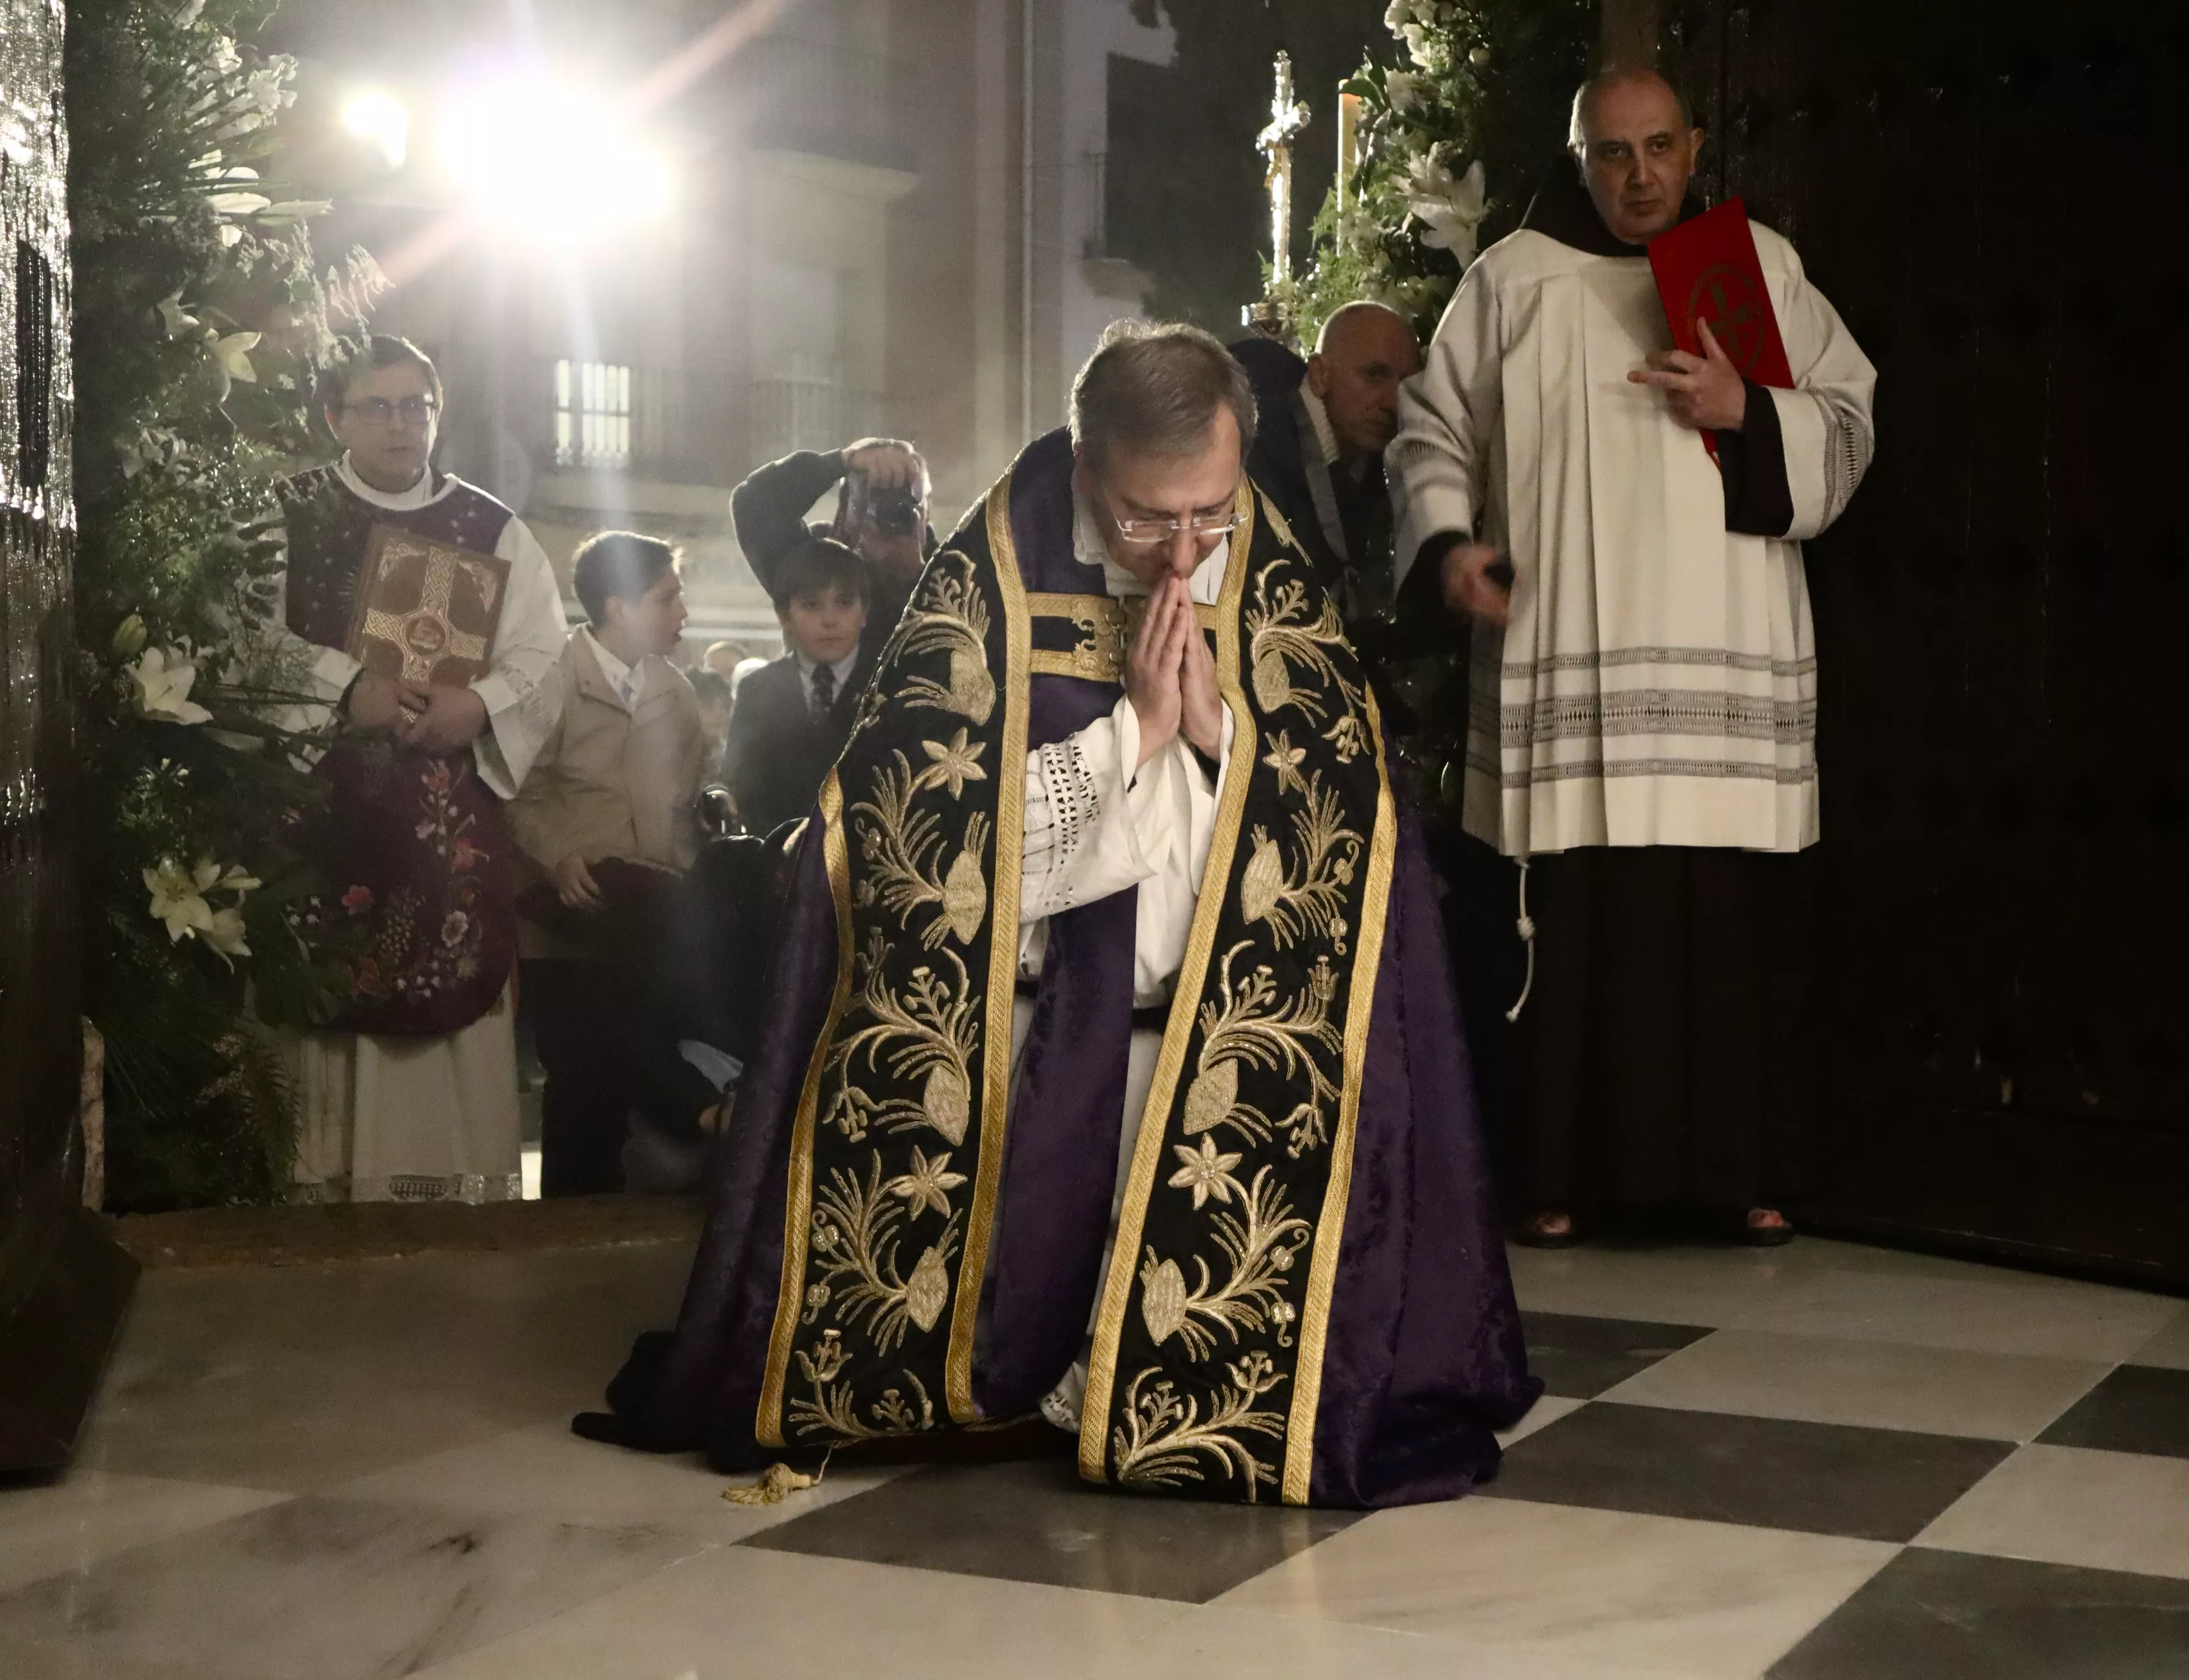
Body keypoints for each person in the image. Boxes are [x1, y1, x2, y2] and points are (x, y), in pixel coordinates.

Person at [576, 319, 1537, 1509]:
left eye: (1210, 516)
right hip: (1023, 1063)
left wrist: (1216, 738)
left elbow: (1353, 807)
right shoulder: (989, 573)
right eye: (1147, 519)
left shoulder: (1263, 558)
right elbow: (902, 842)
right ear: (1086, 470)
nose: (1183, 556)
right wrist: (1126, 733)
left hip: (1202, 1052)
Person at [1389, 68, 1877, 1248]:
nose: (1639, 174)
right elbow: (1428, 431)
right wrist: (1449, 544)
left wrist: (1748, 412)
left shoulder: (1754, 266)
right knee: (1579, 921)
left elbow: (1853, 416)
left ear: (1694, 144)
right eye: (1612, 153)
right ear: (1577, 156)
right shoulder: (1507, 281)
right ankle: (1556, 1175)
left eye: (1659, 148)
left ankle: (1743, 1172)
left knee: (1724, 925)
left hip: (1724, 657)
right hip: (1570, 664)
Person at [265, 334, 569, 1203]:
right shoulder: (287, 513)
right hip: (316, 816)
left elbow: (545, 656)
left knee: (444, 1005)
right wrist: (345, 687)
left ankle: (447, 1205)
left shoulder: (493, 527)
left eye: (416, 407)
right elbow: (238, 638)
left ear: (437, 415)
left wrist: (479, 707)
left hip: (444, 833)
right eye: (377, 407)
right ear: (335, 418)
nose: (400, 426)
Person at [507, 532, 709, 1195]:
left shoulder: (676, 695)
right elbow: (512, 790)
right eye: (667, 597)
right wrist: (555, 856)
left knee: (630, 1081)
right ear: (619, 607)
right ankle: (564, 1239)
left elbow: (687, 805)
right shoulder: (550, 680)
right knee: (579, 1082)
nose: (683, 612)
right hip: (564, 927)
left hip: (645, 924)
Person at [1233, 302, 1422, 614]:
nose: (1394, 402)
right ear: (1320, 375)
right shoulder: (1255, 444)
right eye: (1375, 375)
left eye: (1408, 384)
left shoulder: (1373, 460)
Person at [719, 537, 873, 834]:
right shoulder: (758, 688)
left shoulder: (890, 683)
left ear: (864, 612)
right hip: (779, 859)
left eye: (844, 603)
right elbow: (737, 781)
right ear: (784, 616)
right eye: (812, 605)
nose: (830, 620)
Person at [731, 436, 934, 655]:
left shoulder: (955, 575)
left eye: (905, 499)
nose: (888, 512)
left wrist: (915, 578)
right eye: (872, 496)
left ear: (926, 512)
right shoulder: (815, 564)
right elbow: (752, 504)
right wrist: (841, 462)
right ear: (843, 509)